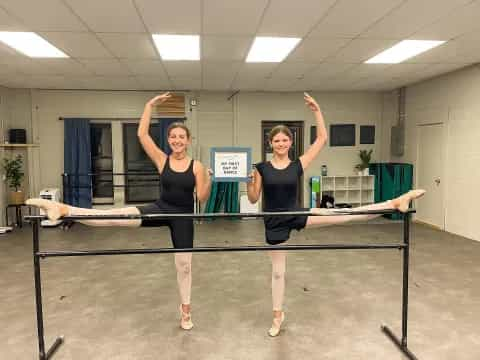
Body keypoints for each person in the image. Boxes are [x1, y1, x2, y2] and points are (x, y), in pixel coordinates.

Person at [27, 92, 212, 330]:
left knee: (184, 265)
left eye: (181, 137)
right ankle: (63, 209)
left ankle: (185, 309)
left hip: (183, 217)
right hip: (161, 208)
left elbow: (202, 197)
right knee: (112, 217)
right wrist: (149, 105)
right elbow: (142, 134)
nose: (177, 140)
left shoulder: (196, 166)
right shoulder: (162, 159)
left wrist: (207, 180)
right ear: (169, 140)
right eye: (173, 137)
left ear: (188, 141)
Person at [247, 93, 425, 337]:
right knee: (278, 272)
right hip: (273, 221)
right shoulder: (261, 168)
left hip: (297, 214)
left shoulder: (298, 164)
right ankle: (278, 315)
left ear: (290, 142)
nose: (280, 144)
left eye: (284, 140)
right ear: (270, 143)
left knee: (345, 215)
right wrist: (249, 182)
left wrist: (317, 110)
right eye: (276, 140)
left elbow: (322, 138)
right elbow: (254, 198)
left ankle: (395, 202)